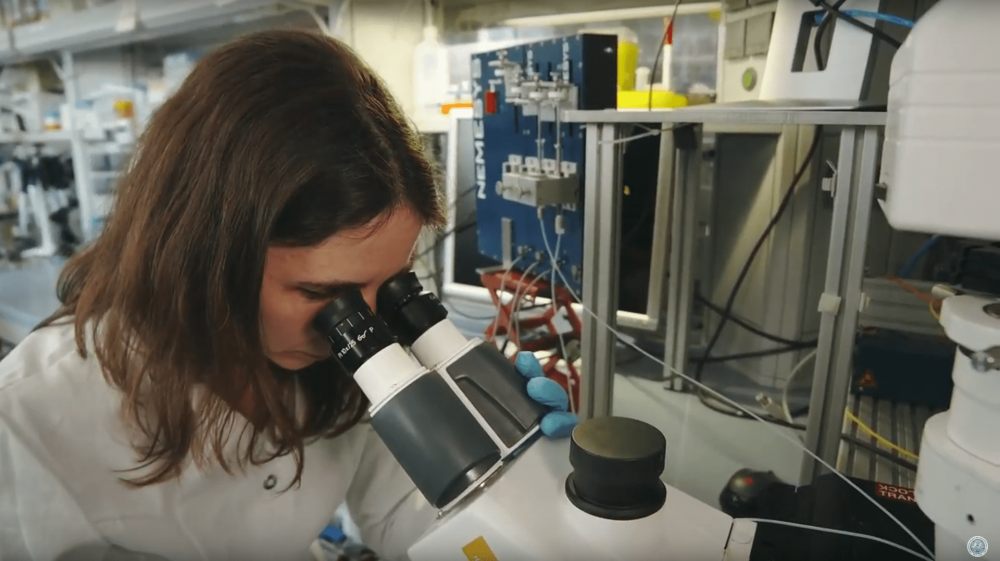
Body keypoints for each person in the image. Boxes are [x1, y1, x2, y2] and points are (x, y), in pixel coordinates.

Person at [0, 29, 576, 561]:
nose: (361, 325)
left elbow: (414, 520)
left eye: (391, 286)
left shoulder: (341, 370)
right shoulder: (29, 415)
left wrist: (525, 492)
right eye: (321, 292)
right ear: (203, 256)